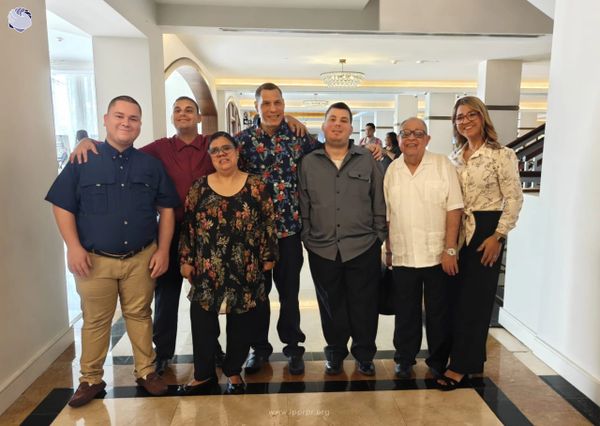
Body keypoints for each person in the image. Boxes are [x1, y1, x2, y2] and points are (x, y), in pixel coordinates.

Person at [45, 96, 180, 407]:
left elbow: (167, 209)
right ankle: (91, 379)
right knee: (95, 320)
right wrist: (73, 247)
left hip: (141, 257)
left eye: (133, 118)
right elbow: (62, 206)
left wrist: (163, 250)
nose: (126, 123)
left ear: (140, 125)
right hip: (94, 260)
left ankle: (146, 372)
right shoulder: (82, 160)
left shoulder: (150, 165)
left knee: (140, 315)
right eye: (119, 116)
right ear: (105, 119)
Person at [70, 96, 220, 375]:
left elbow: (238, 147)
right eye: (177, 110)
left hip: (207, 235)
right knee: (166, 296)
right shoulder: (159, 149)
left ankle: (212, 349)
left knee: (207, 294)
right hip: (170, 232)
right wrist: (86, 141)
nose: (183, 114)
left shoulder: (212, 144)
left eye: (189, 110)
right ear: (172, 117)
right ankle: (162, 353)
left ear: (199, 118)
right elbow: (121, 148)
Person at [177, 132, 278, 395]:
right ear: (210, 156)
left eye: (226, 148)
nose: (221, 154)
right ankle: (203, 374)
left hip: (245, 266)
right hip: (206, 266)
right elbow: (188, 227)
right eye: (215, 150)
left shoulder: (256, 185)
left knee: (241, 324)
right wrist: (186, 259)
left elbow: (268, 223)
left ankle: (233, 371)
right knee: (202, 322)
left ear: (236, 152)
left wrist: (268, 256)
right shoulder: (199, 187)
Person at [438, 96, 523, 390]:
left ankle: (460, 366)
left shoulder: (502, 155)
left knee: (475, 301)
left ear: (483, 117)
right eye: (460, 117)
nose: (466, 121)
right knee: (456, 299)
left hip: (487, 230)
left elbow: (514, 198)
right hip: (457, 230)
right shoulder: (453, 158)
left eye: (471, 114)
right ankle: (471, 361)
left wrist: (498, 236)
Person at [298, 102, 387, 376]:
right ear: (324, 126)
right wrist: (307, 237)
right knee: (330, 306)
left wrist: (378, 236)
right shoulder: (308, 163)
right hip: (322, 248)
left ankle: (364, 354)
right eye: (332, 119)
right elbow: (303, 203)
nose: (337, 124)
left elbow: (379, 199)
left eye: (344, 120)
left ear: (351, 128)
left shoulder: (367, 160)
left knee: (364, 304)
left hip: (363, 246)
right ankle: (335, 352)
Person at [383, 117, 463, 379]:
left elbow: (454, 208)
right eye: (406, 133)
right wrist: (389, 251)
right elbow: (388, 215)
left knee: (438, 311)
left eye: (418, 133)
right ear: (399, 139)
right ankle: (404, 358)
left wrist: (450, 250)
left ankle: (438, 359)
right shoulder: (392, 170)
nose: (411, 138)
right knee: (405, 311)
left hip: (437, 254)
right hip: (404, 253)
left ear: (427, 139)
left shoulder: (442, 165)